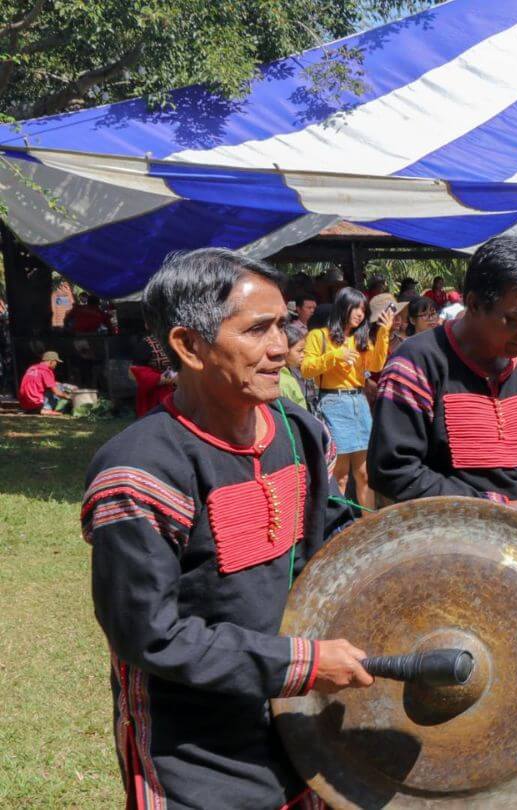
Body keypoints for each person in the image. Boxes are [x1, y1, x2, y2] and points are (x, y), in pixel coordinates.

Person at [82, 248, 370, 809]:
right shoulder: (139, 473)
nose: (282, 347)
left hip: (301, 725)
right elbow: (150, 635)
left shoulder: (301, 433)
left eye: (284, 323)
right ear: (189, 346)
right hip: (194, 750)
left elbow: (333, 539)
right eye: (257, 329)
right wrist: (300, 663)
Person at [369, 236, 517, 506]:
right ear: (473, 305)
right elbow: (392, 470)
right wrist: (495, 507)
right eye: (516, 319)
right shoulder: (416, 364)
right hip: (447, 540)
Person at [301, 287, 393, 510]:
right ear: (343, 306)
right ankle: (340, 527)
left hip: (359, 403)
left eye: (363, 309)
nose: (360, 314)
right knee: (340, 475)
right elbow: (306, 369)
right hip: (333, 402)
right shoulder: (319, 336)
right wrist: (335, 355)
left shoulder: (360, 339)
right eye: (356, 308)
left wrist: (383, 333)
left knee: (364, 474)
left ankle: (368, 522)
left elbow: (376, 365)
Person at [130, 336, 177, 419]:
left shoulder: (180, 340)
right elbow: (133, 373)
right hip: (156, 394)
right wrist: (165, 379)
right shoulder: (146, 345)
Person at [19, 350, 72, 415]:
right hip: (36, 403)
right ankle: (46, 409)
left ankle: (34, 410)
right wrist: (70, 397)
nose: (56, 365)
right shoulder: (45, 371)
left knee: (58, 384)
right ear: (52, 361)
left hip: (25, 404)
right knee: (59, 388)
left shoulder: (32, 368)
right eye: (56, 362)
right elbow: (57, 393)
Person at [279, 320, 313, 412]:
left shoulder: (289, 374)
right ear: (285, 350)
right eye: (299, 351)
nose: (303, 355)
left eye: (304, 351)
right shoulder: (285, 382)